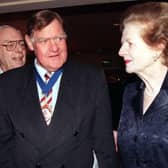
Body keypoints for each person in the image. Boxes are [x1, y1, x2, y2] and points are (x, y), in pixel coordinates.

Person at [0, 10, 118, 168]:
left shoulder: (91, 78)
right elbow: (3, 146)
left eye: (59, 38)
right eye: (44, 41)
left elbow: (104, 144)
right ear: (29, 43)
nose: (54, 48)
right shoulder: (7, 83)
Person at [117, 2, 168, 168]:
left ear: (159, 47)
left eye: (130, 43)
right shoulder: (130, 93)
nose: (121, 51)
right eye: (122, 43)